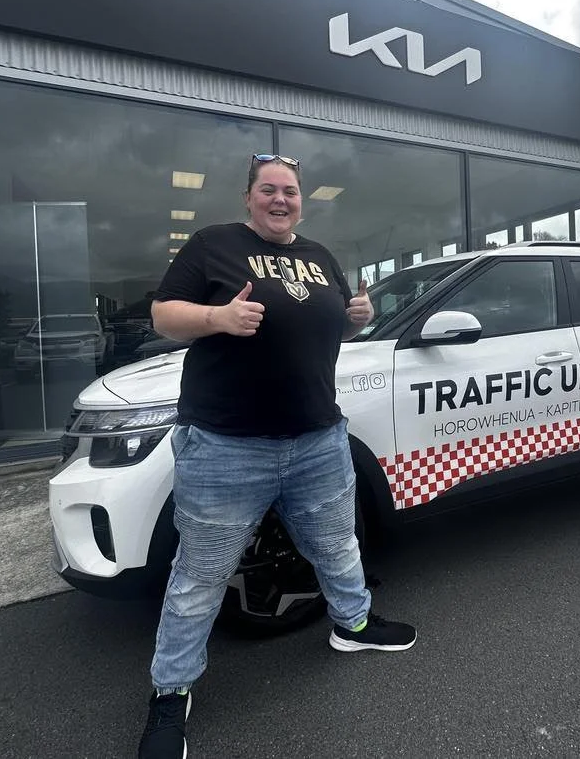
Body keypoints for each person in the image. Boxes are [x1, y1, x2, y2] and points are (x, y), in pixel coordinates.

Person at [138, 153, 417, 759]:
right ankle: (171, 692)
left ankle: (354, 625)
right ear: (248, 197)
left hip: (317, 438)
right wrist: (218, 316)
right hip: (226, 446)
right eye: (268, 189)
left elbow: (329, 327)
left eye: (289, 191)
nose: (280, 199)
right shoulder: (213, 245)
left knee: (338, 544)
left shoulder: (318, 257)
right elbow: (163, 316)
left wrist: (356, 319)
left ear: (300, 201)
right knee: (199, 577)